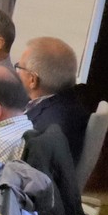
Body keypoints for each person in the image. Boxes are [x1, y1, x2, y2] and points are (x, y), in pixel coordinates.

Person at [18, 36, 91, 164]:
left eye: (19, 67)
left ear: (32, 80)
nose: (17, 73)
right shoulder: (69, 104)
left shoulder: (43, 129)